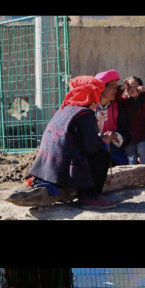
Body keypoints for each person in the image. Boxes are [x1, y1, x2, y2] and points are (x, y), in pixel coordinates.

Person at [24, 71, 121, 204]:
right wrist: (104, 141)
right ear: (92, 93)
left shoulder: (65, 108)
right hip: (61, 173)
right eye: (97, 92)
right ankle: (90, 196)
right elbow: (92, 147)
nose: (98, 96)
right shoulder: (85, 114)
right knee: (102, 154)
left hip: (45, 171)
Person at [116, 77, 145, 165]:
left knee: (143, 151)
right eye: (129, 87)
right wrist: (122, 87)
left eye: (135, 86)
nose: (132, 89)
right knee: (130, 155)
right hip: (129, 137)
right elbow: (116, 98)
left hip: (142, 136)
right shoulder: (124, 101)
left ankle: (144, 169)